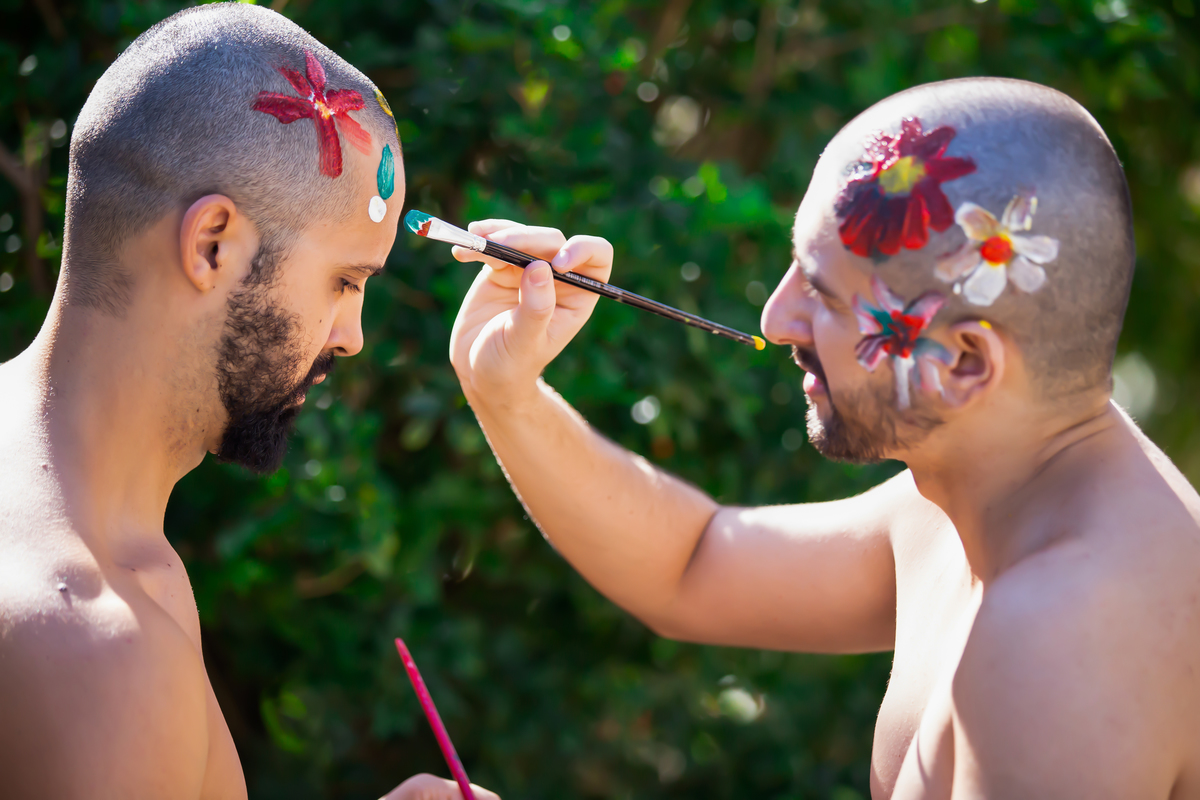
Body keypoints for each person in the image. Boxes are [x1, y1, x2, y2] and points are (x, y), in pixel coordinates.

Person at [449, 77, 1200, 799]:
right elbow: (692, 565)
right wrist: (504, 391)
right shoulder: (984, 492)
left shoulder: (1065, 638)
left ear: (967, 362)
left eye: (821, 292)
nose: (776, 321)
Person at [0, 5, 497, 800]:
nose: (352, 337)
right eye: (344, 282)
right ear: (213, 245)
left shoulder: (108, 565)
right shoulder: (95, 650)